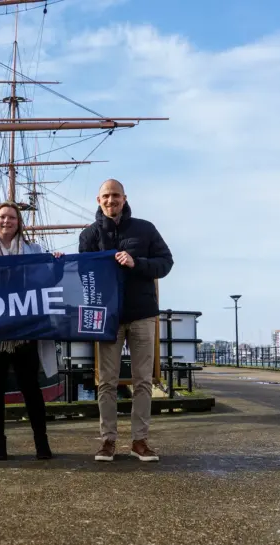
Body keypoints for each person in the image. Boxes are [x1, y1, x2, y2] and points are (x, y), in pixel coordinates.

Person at [79, 179, 173, 463]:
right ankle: (107, 441)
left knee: (143, 380)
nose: (111, 200)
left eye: (116, 195)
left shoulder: (145, 229)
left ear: (124, 198)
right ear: (99, 200)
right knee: (106, 382)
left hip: (142, 314)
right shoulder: (89, 235)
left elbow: (165, 263)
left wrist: (137, 263)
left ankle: (139, 441)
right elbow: (82, 274)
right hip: (108, 318)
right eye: (106, 196)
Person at [0, 202, 62, 460]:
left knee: (31, 387)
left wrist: (57, 263)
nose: (6, 221)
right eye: (2, 217)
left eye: (12, 217)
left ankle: (41, 441)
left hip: (26, 330)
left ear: (19, 223)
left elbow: (48, 280)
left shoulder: (34, 250)